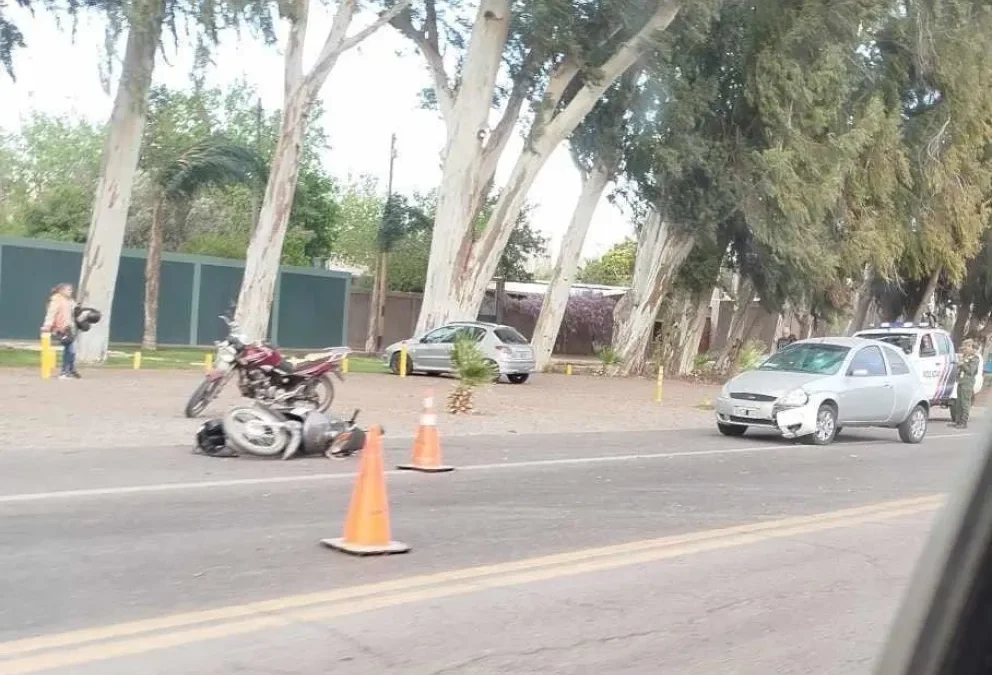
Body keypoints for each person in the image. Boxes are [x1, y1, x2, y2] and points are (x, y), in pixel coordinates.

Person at [41, 283, 80, 380]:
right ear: (61, 290)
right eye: (68, 289)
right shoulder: (56, 300)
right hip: (60, 328)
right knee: (70, 350)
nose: (71, 291)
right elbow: (51, 313)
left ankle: (70, 370)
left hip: (69, 328)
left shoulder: (70, 300)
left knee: (70, 350)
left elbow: (76, 311)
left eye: (71, 289)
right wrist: (47, 325)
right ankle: (64, 372)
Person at [950, 339, 981, 429]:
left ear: (971, 347)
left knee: (965, 403)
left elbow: (971, 371)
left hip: (967, 383)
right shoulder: (965, 357)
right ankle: (958, 421)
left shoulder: (975, 358)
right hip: (961, 381)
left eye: (967, 347)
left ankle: (964, 422)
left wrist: (962, 364)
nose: (965, 349)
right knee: (958, 403)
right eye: (964, 347)